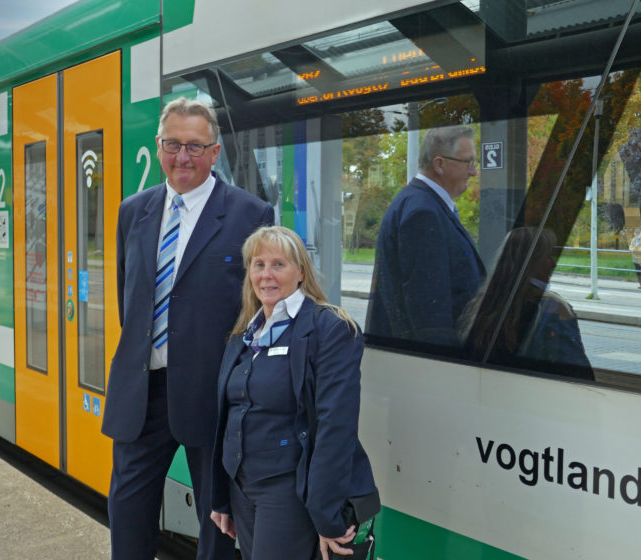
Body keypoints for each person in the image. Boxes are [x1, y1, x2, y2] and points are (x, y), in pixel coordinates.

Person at [101, 97, 274, 560]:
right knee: (128, 516)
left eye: (195, 147)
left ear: (215, 152)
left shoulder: (250, 214)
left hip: (213, 398)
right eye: (173, 144)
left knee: (217, 526)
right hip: (141, 395)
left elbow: (258, 315)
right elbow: (129, 301)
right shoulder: (131, 212)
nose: (183, 157)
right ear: (158, 147)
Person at [209, 226, 376, 560]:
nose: (266, 275)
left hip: (288, 490)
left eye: (278, 265)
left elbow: (335, 427)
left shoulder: (329, 329)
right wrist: (221, 497)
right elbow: (228, 416)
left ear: (301, 272)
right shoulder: (245, 333)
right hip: (242, 488)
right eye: (258, 265)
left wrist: (326, 516)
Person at [367, 124, 485, 346]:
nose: (473, 172)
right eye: (468, 162)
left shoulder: (422, 204)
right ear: (439, 164)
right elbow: (430, 315)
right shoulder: (423, 213)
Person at [458, 227, 594, 379]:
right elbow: (580, 375)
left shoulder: (483, 305)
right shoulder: (551, 308)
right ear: (529, 263)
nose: (553, 264)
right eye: (547, 256)